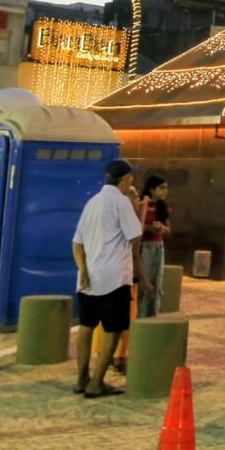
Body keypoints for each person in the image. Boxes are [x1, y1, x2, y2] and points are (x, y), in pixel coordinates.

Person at [71, 160, 148, 398]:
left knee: (86, 327)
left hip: (89, 278)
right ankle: (96, 382)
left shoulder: (92, 202)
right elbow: (135, 236)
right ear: (125, 180)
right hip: (114, 277)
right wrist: (140, 211)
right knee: (113, 330)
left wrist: (83, 269)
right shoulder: (121, 202)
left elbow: (77, 242)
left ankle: (82, 378)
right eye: (130, 179)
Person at [137, 175, 171, 319]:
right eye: (161, 188)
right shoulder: (141, 204)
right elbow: (136, 227)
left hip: (158, 246)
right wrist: (149, 228)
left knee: (157, 281)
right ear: (151, 189)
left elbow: (169, 230)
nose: (165, 191)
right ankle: (139, 315)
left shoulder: (162, 207)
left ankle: (152, 315)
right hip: (144, 247)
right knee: (145, 281)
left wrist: (162, 229)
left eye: (166, 188)